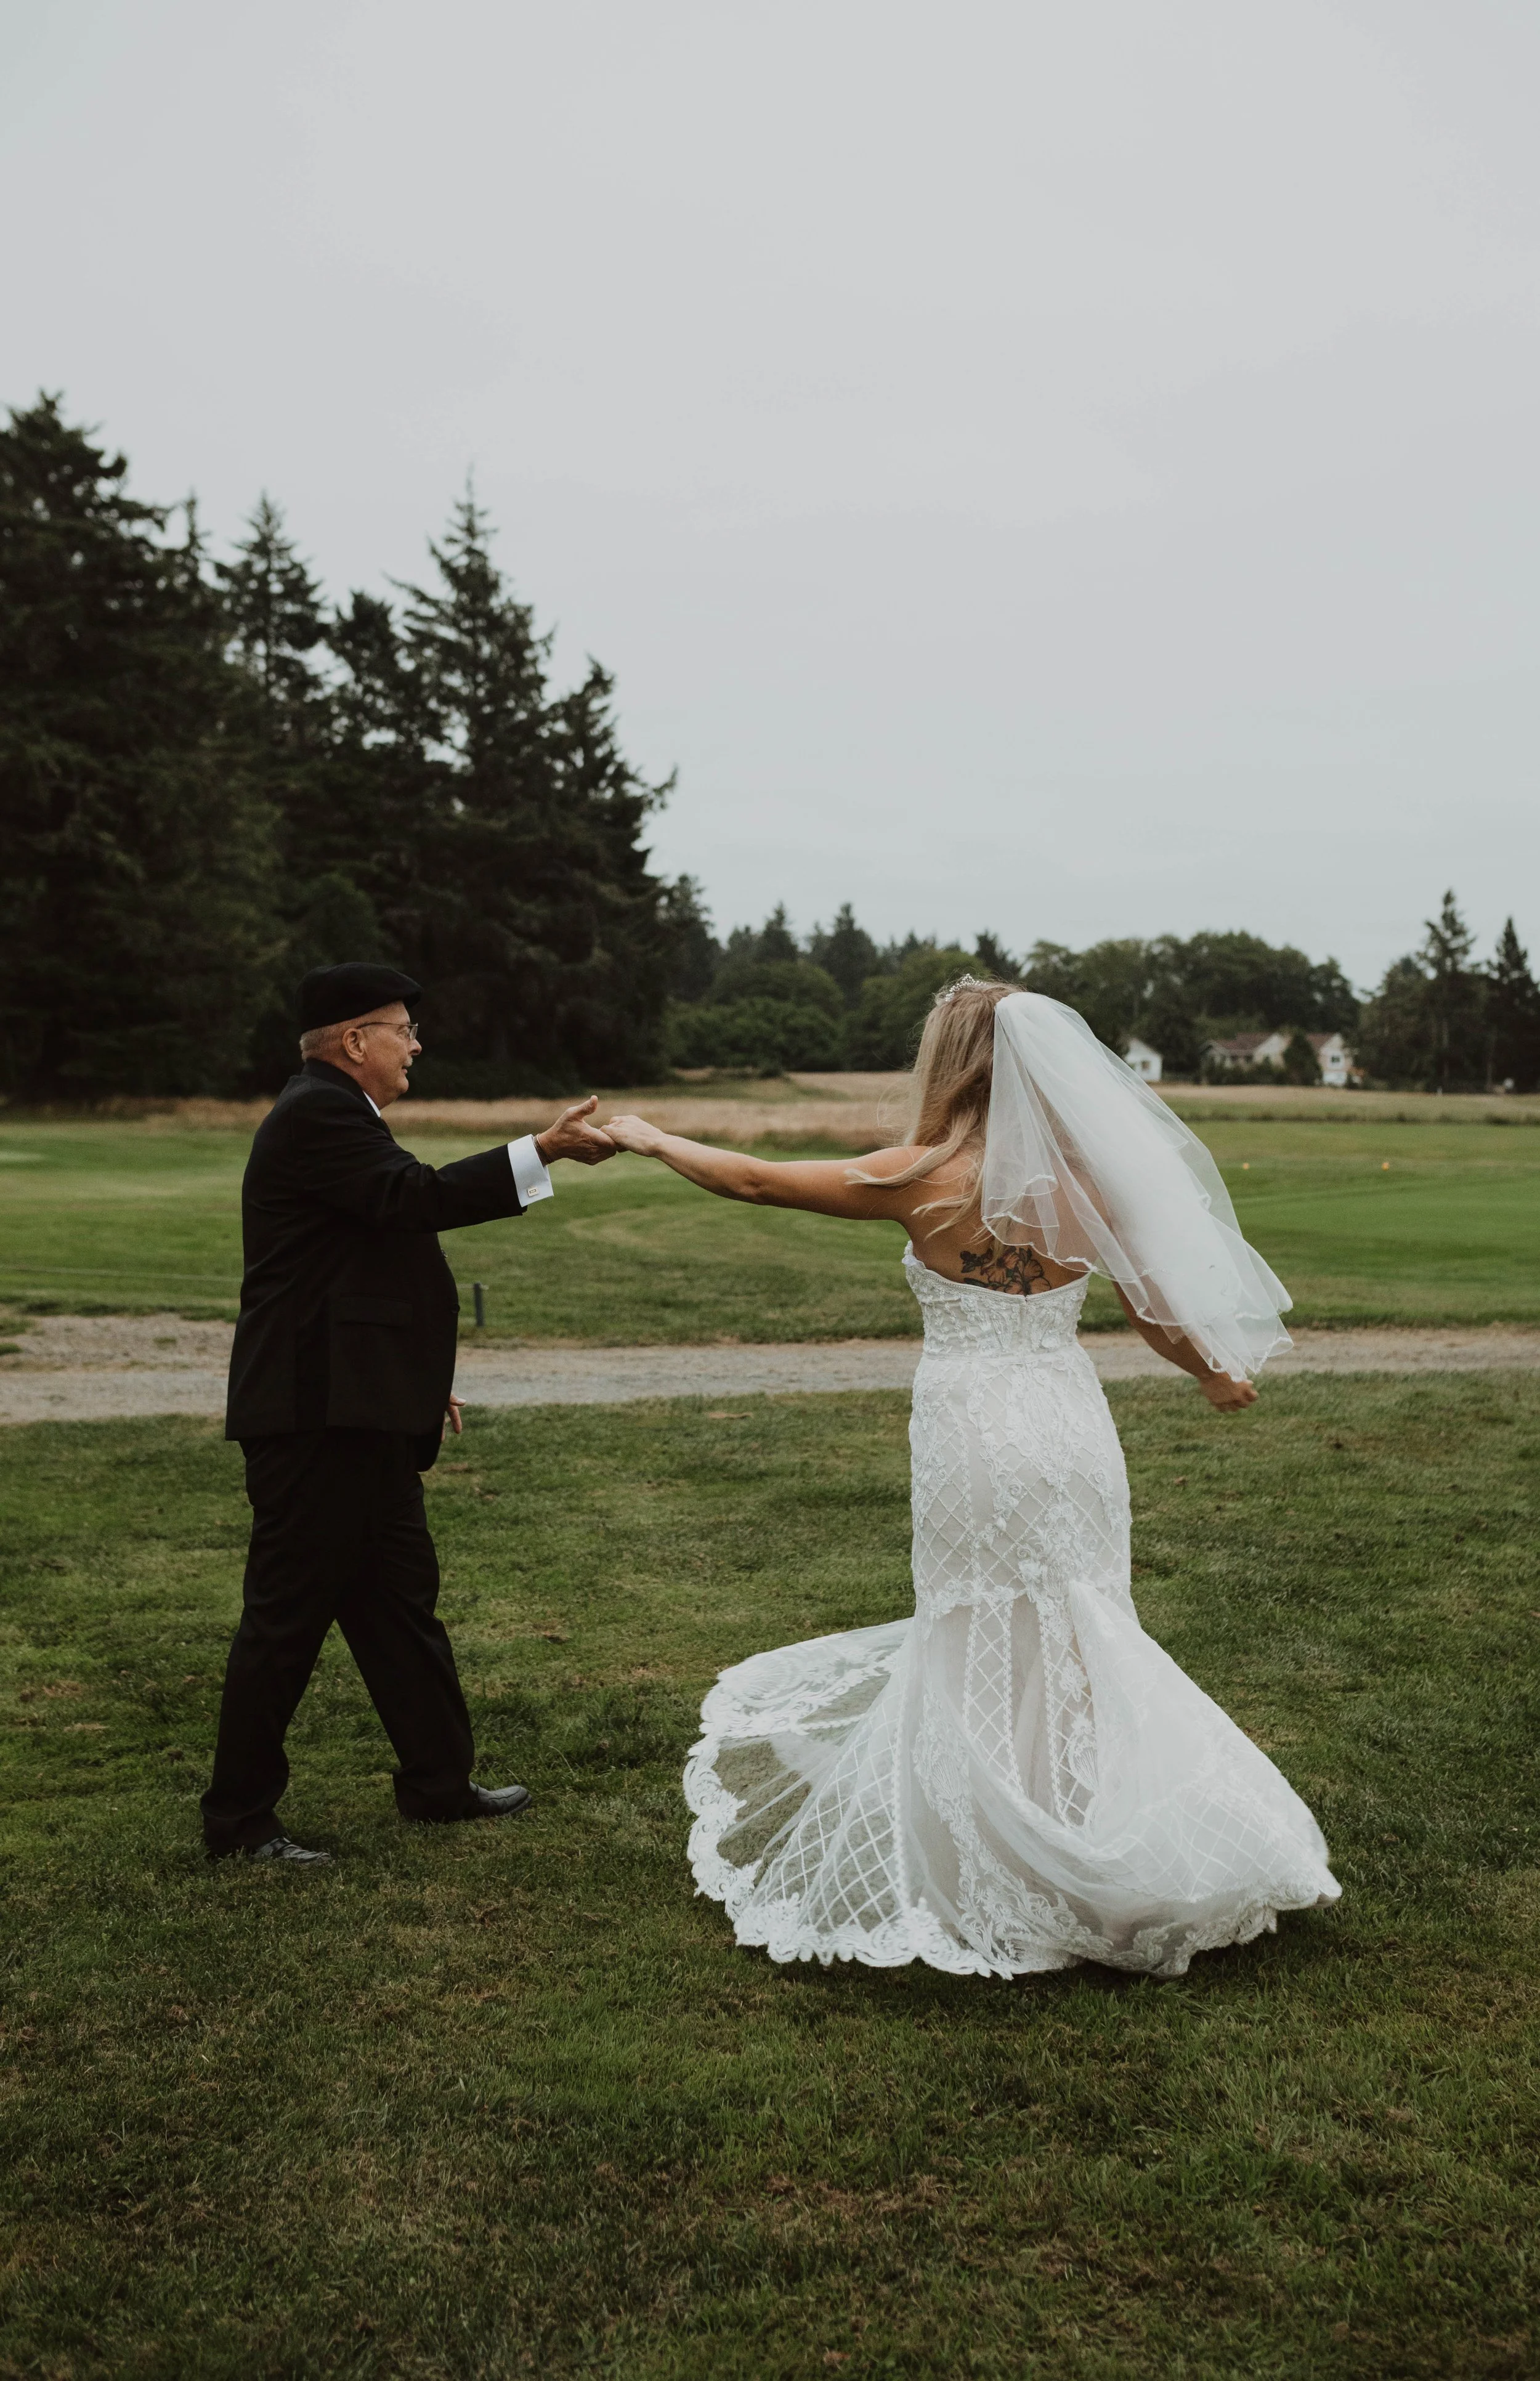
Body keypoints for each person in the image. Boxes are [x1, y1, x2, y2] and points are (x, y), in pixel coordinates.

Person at [603, 979, 1340, 1978]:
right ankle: (1089, 1825)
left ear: (951, 1065)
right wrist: (1215, 1374)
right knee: (1082, 1623)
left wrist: (651, 1137)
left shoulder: (922, 1178)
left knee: (976, 1620)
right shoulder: (1089, 1184)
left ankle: (997, 1854)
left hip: (973, 1432)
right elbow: (1159, 1315)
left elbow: (754, 1181)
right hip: (1072, 1427)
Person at [202, 961, 615, 1864]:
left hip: (359, 1410)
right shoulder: (319, 1112)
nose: (416, 1045)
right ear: (355, 1041)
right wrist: (539, 1150)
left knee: (397, 1608)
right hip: (317, 1421)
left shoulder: (339, 1114)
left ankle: (436, 1784)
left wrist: (417, 1380)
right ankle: (238, 1824)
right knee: (285, 1620)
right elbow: (414, 1200)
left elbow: (361, 1262)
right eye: (402, 1029)